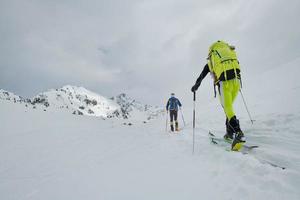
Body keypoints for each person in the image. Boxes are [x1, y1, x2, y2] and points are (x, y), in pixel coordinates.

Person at [191, 40, 245, 150]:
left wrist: (195, 87)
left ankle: (238, 133)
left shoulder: (211, 62)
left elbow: (201, 76)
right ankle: (229, 133)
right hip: (236, 82)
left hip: (224, 84)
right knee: (228, 109)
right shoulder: (228, 55)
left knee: (227, 108)